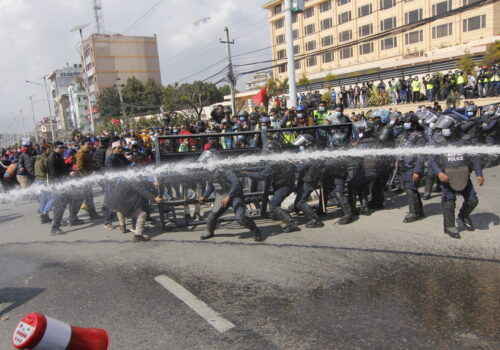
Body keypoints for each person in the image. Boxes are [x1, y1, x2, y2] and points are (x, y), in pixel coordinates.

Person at [429, 115, 484, 239]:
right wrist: (439, 173)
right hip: (446, 178)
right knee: (449, 202)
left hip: (463, 175)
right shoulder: (438, 141)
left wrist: (479, 174)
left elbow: (474, 158)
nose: (444, 130)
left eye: (446, 128)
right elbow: (432, 161)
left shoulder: (465, 140)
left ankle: (463, 215)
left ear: (455, 127)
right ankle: (449, 227)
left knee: (472, 200)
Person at [198, 150, 264, 241]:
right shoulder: (211, 173)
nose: (205, 165)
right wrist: (204, 196)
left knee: (240, 218)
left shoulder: (225, 170)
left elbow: (236, 183)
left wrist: (229, 196)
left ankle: (256, 230)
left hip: (234, 196)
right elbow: (210, 187)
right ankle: (209, 232)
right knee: (212, 216)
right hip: (221, 196)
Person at [108, 176, 164, 242]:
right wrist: (154, 198)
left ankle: (122, 227)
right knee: (142, 214)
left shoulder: (128, 177)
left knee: (120, 208)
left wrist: (152, 184)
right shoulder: (135, 180)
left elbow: (142, 183)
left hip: (113, 201)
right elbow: (142, 190)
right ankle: (138, 236)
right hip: (121, 202)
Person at [397, 113, 426, 223]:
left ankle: (413, 213)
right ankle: (419, 211)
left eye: (407, 123)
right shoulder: (405, 134)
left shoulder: (419, 136)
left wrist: (417, 171)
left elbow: (421, 155)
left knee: (410, 189)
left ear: (414, 124)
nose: (405, 125)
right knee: (410, 189)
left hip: (413, 167)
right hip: (404, 165)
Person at [48, 142, 82, 234]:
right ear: (55, 148)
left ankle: (72, 219)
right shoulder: (52, 158)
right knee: (60, 206)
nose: (63, 149)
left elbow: (61, 169)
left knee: (76, 199)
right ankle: (55, 227)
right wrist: (69, 173)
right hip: (58, 185)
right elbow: (54, 173)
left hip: (63, 184)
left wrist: (69, 167)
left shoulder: (58, 156)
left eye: (64, 147)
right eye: (61, 147)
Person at [34, 144, 53, 224]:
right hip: (43, 180)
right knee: (52, 198)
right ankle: (44, 213)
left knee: (43, 200)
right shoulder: (44, 159)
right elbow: (49, 169)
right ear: (45, 150)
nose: (50, 150)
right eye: (49, 149)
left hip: (37, 181)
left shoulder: (37, 159)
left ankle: (43, 218)